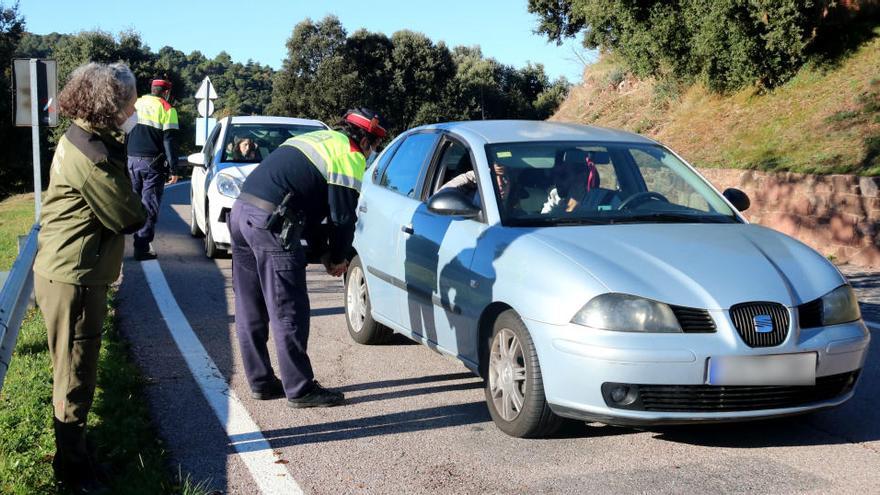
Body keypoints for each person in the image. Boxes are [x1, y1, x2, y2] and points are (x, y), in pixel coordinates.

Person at [33, 62, 147, 494]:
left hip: (67, 271)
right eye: (130, 101)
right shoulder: (93, 155)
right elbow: (127, 215)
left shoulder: (81, 137)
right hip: (75, 278)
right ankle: (74, 472)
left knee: (72, 371)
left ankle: (75, 455)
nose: (134, 108)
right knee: (75, 375)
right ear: (111, 103)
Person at [230, 108, 386, 408]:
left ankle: (261, 381)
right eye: (375, 145)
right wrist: (339, 257)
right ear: (367, 140)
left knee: (250, 304)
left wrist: (323, 252)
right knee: (288, 307)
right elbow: (342, 217)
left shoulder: (318, 139)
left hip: (242, 214)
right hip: (271, 223)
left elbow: (313, 211)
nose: (372, 152)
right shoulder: (350, 154)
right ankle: (300, 389)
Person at [126, 77, 180, 260]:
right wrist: (174, 169)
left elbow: (123, 131)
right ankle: (141, 248)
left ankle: (117, 246)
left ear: (152, 89)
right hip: (152, 164)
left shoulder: (136, 102)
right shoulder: (167, 109)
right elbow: (169, 141)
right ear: (166, 92)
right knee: (149, 206)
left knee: (130, 203)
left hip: (131, 160)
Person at [541, 149, 600, 214]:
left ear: (581, 177)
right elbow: (543, 216)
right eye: (555, 175)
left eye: (563, 176)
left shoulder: (597, 202)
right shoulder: (555, 196)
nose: (557, 181)